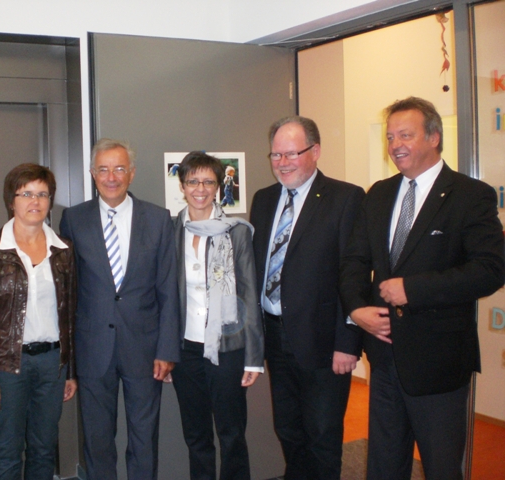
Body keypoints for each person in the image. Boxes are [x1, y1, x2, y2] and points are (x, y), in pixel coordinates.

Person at [340, 96, 505, 480]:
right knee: (384, 466)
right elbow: (354, 261)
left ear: (433, 137)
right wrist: (356, 308)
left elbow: (490, 270)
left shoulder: (470, 195)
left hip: (439, 363)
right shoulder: (378, 193)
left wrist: (413, 290)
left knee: (441, 467)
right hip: (384, 357)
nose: (395, 144)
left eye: (405, 135)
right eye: (390, 136)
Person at [250, 116, 364, 479]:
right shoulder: (264, 199)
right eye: (276, 155)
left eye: (291, 154)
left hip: (324, 342)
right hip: (274, 335)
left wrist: (348, 342)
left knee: (322, 434)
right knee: (288, 429)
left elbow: (354, 274)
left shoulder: (346, 198)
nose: (282, 163)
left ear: (315, 151)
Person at [60, 138, 180, 480]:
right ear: (92, 173)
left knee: (144, 440)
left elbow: (168, 289)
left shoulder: (158, 218)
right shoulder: (73, 219)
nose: (111, 177)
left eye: (119, 169)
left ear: (132, 173)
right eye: (103, 169)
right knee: (97, 440)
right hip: (92, 347)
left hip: (145, 348)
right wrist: (69, 360)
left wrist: (167, 349)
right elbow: (68, 292)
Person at [0, 163, 77, 479]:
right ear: (11, 200)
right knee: (7, 452)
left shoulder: (64, 249)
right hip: (7, 367)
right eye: (26, 193)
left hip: (52, 364)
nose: (35, 201)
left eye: (43, 194)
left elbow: (70, 315)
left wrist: (70, 371)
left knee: (44, 450)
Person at [171, 151, 263, 480]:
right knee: (196, 435)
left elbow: (249, 293)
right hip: (185, 350)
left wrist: (253, 358)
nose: (200, 189)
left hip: (228, 348)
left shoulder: (236, 231)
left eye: (208, 181)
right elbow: (163, 295)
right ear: (182, 186)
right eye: (192, 181)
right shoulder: (171, 230)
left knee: (232, 434)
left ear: (218, 187)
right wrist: (165, 352)